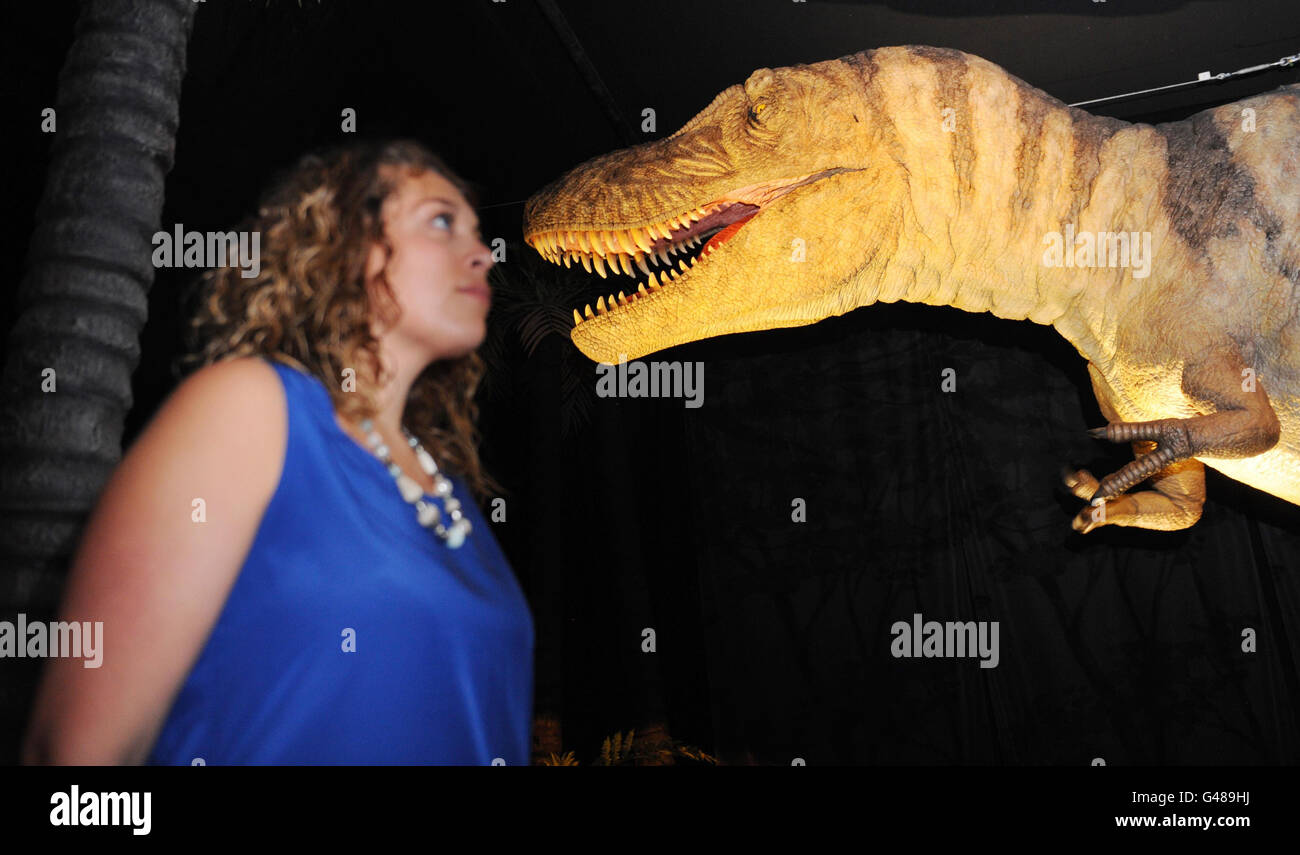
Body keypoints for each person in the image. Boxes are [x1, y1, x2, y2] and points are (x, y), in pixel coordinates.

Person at [20, 140, 534, 765]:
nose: (483, 253)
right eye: (442, 221)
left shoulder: (449, 488)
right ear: (347, 244)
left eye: (478, 232)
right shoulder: (251, 407)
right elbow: (75, 758)